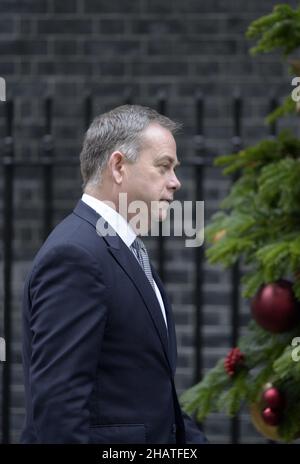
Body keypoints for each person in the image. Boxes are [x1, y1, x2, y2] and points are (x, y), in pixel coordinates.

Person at [21, 105, 207, 444]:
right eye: (164, 166)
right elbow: (59, 412)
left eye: (175, 169)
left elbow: (150, 396)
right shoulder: (76, 256)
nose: (176, 182)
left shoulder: (121, 249)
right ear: (118, 166)